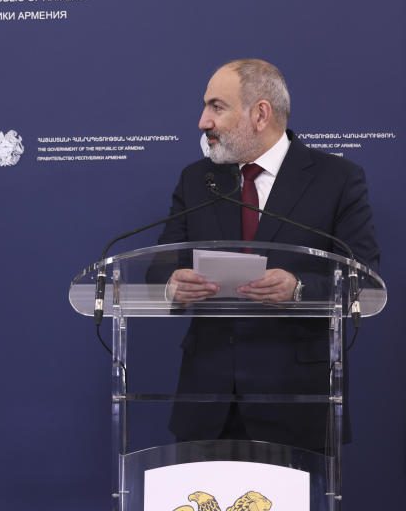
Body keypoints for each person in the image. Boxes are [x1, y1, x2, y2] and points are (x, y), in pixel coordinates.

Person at [158, 58, 379, 450]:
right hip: (206, 405)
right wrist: (173, 283)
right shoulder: (198, 179)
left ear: (260, 114)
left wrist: (299, 288)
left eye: (216, 106)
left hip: (296, 403)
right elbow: (158, 267)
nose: (203, 121)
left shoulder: (337, 180)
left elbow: (364, 281)